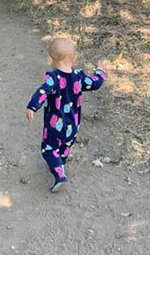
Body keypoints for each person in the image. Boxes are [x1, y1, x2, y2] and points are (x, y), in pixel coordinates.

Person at [25, 37, 106, 193]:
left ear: (50, 59)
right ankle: (60, 162)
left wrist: (32, 107)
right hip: (73, 125)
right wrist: (100, 71)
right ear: (74, 59)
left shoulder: (53, 78)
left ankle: (59, 174)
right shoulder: (79, 77)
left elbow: (42, 92)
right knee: (65, 145)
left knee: (48, 148)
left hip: (55, 125)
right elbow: (96, 83)